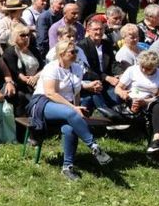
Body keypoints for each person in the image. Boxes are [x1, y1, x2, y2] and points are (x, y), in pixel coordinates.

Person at [26, 39, 113, 180]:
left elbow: (76, 92)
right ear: (61, 53)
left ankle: (67, 167)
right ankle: (93, 145)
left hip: (65, 106)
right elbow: (50, 93)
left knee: (70, 129)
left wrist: (78, 104)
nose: (75, 54)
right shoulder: (51, 68)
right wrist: (74, 108)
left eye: (76, 51)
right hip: (43, 103)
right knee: (70, 112)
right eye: (72, 52)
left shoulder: (77, 68)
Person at [115, 51, 159, 160]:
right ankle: (158, 151)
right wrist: (123, 94)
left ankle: (156, 141)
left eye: (148, 69)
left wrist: (146, 101)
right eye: (142, 67)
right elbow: (118, 88)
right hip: (132, 98)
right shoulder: (132, 70)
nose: (144, 70)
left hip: (151, 100)